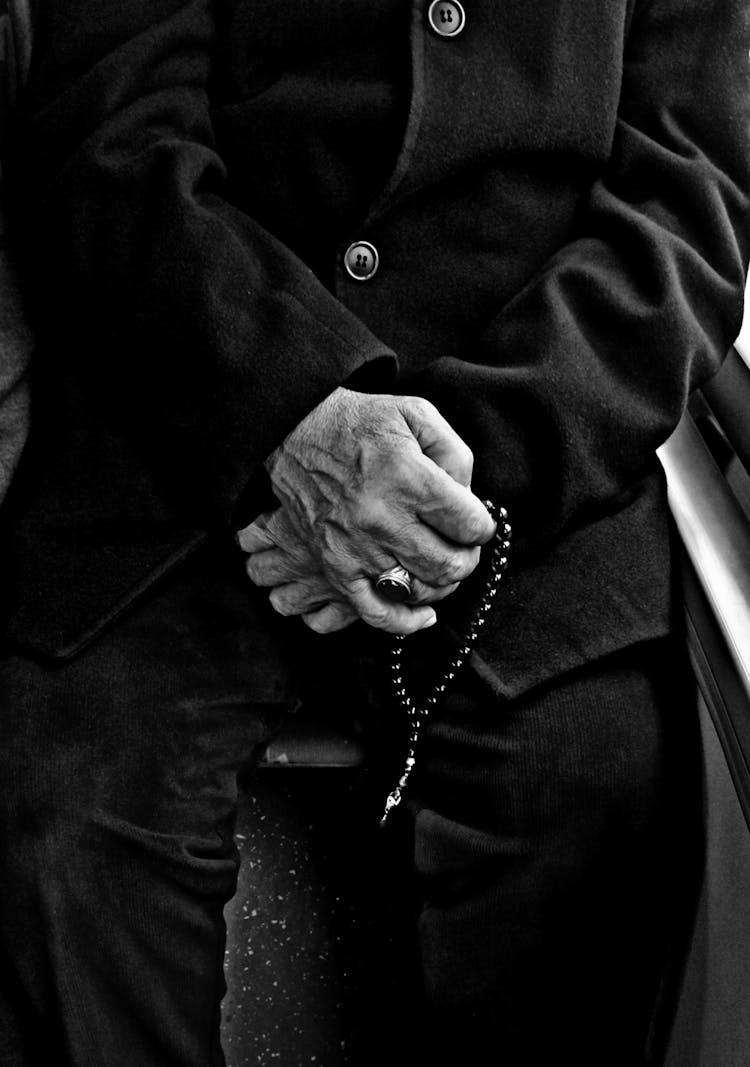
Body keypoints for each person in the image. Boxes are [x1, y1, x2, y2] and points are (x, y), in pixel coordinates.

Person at [0, 1, 748, 1064]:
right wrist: (289, 408)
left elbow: (690, 196)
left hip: (533, 457)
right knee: (62, 832)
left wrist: (463, 471)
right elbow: (107, 123)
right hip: (179, 407)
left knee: (594, 806)